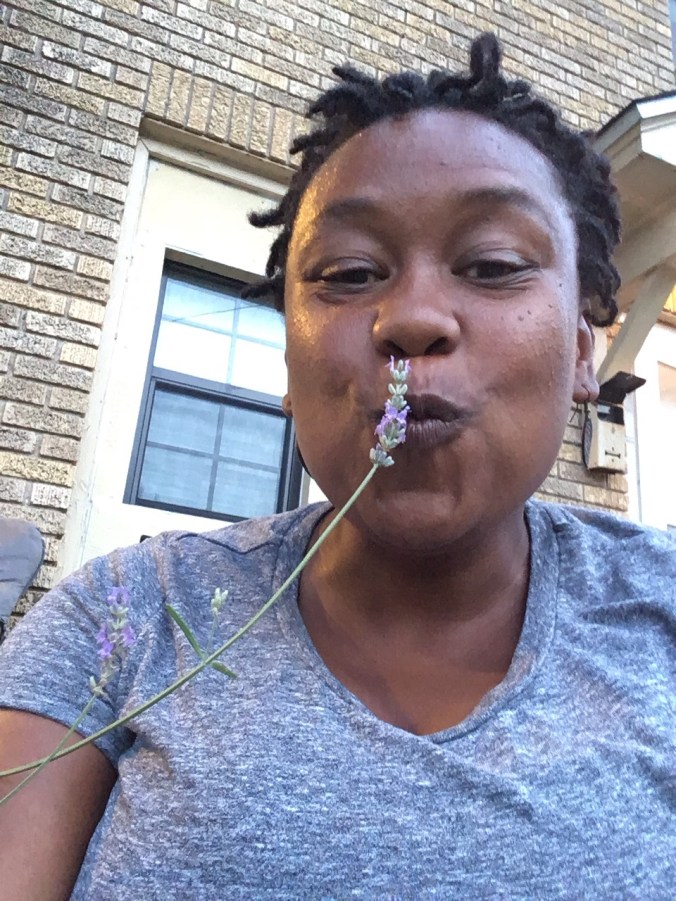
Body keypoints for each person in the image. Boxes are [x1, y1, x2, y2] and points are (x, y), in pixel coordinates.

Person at [0, 32, 674, 899]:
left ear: (583, 354)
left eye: (494, 265)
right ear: (287, 362)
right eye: (350, 273)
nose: (412, 318)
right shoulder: (126, 617)